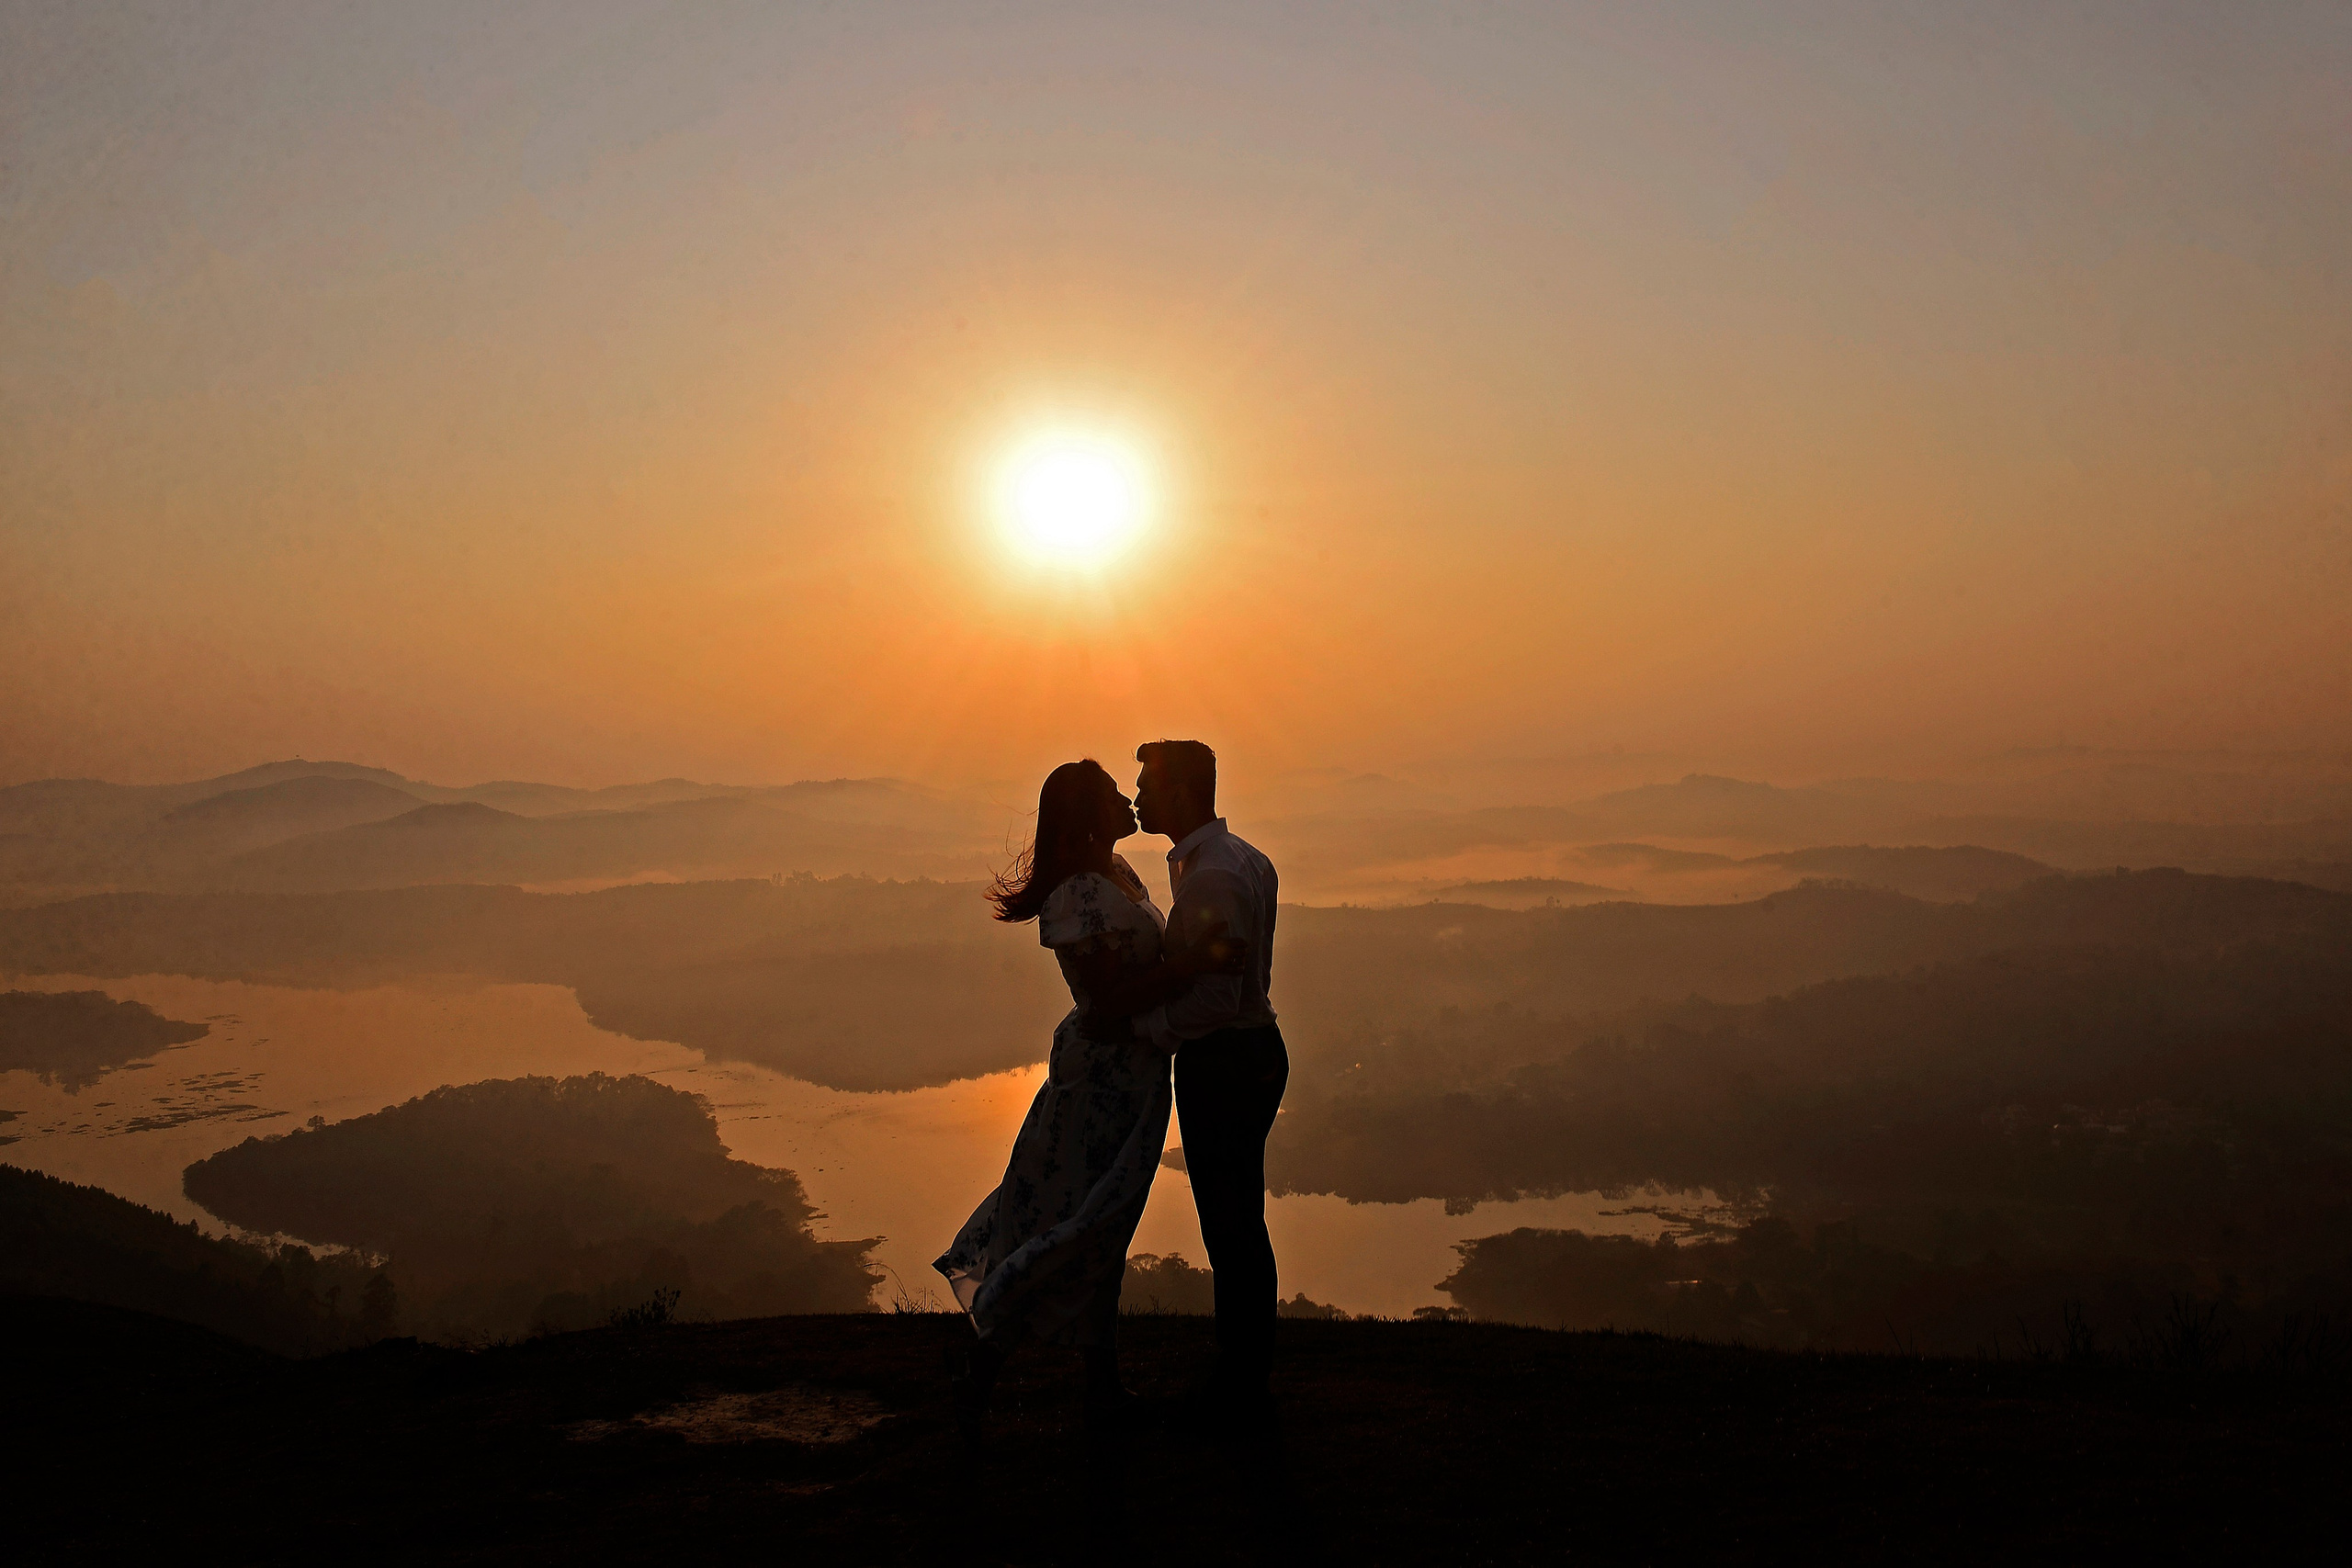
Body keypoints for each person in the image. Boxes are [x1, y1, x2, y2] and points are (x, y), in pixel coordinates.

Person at [934, 758, 1247, 1443]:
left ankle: (1099, 1389)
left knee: (1106, 1228)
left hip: (1133, 1076)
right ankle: (984, 1368)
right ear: (1086, 814)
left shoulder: (1118, 876)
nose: (1127, 801)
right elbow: (1105, 1003)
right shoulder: (1076, 894)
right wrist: (1193, 967)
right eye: (1112, 794)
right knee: (1078, 1225)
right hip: (1098, 1083)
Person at [1084, 739, 1285, 1418]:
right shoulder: (1238, 861)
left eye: (1145, 785)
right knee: (1239, 1220)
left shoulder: (1211, 877)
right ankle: (1246, 1369)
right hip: (1249, 1053)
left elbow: (1219, 999)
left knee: (1229, 1225)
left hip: (1226, 1061)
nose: (1137, 797)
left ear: (1180, 794)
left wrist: (1140, 1029)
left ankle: (1241, 1380)